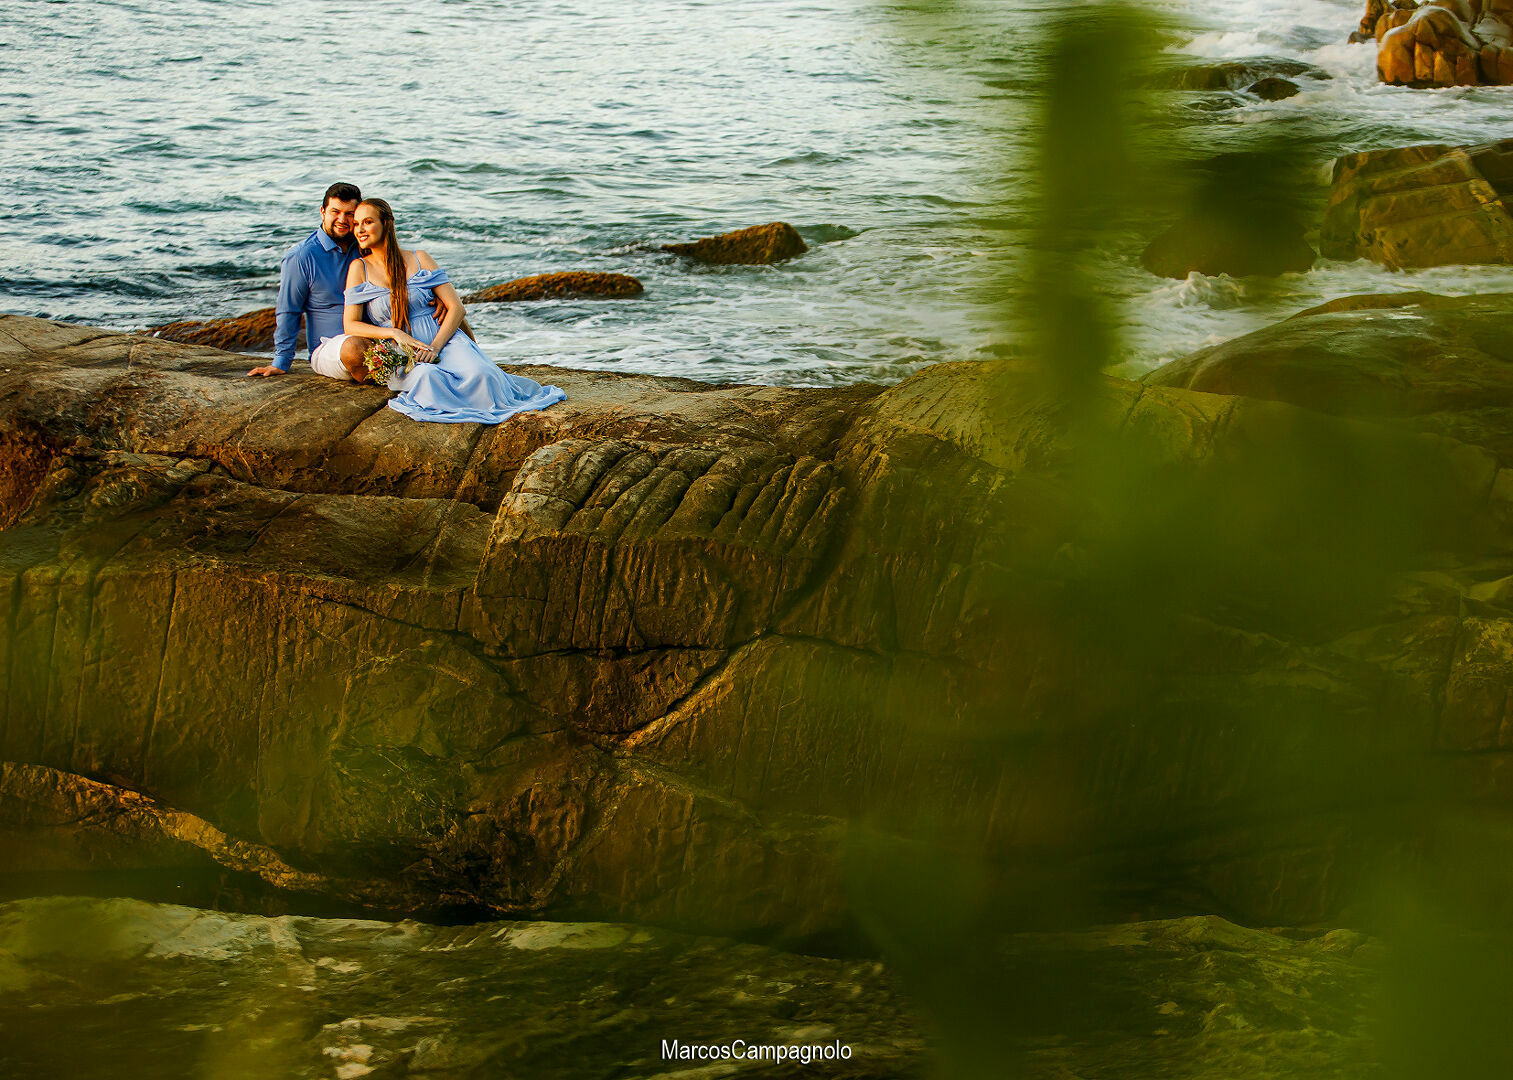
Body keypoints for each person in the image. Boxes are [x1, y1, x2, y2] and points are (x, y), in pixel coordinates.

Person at [342, 198, 565, 424]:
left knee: (483, 375)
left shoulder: (420, 258)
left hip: (444, 340)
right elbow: (350, 324)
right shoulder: (359, 268)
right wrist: (395, 333)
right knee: (428, 378)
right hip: (404, 350)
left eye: (367, 222)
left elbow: (456, 308)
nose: (360, 229)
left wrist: (436, 346)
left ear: (387, 223)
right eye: (357, 224)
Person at [248, 182, 370, 380]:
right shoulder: (302, 256)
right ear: (322, 212)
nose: (342, 219)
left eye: (349, 214)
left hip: (373, 338)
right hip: (331, 347)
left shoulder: (366, 248)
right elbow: (289, 310)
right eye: (335, 212)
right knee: (354, 348)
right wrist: (281, 361)